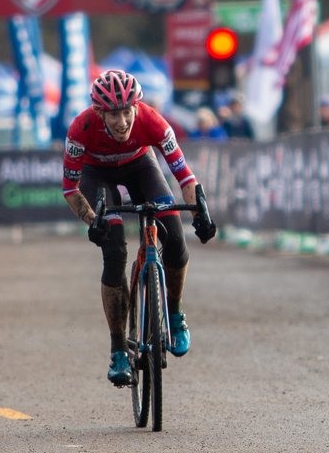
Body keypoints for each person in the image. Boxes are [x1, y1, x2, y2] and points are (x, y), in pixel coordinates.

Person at [61, 70, 217, 386]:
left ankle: (174, 312)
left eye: (126, 112)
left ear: (136, 107)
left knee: (175, 239)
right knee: (115, 251)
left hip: (140, 166)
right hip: (97, 175)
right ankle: (118, 348)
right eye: (113, 114)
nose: (121, 121)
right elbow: (70, 189)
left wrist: (201, 214)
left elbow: (185, 177)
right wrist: (93, 221)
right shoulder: (81, 128)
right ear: (99, 112)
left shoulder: (153, 121)